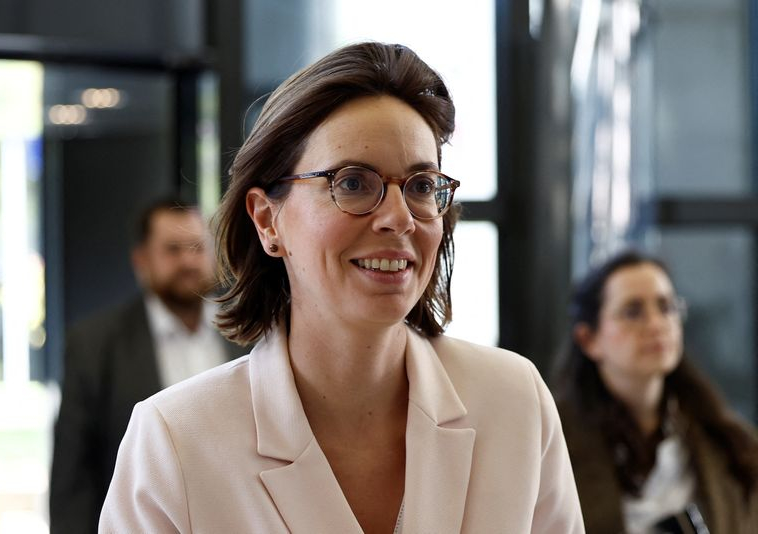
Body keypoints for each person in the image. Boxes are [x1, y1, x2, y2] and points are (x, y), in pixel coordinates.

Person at [99, 42, 583, 533]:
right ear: (267, 220)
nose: (398, 218)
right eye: (352, 183)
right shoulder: (176, 442)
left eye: (420, 186)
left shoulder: (515, 401)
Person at [50, 198, 241, 534]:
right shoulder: (94, 345)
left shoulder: (249, 332)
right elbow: (73, 478)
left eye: (197, 248)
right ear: (141, 260)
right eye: (172, 250)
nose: (188, 261)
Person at [553, 249, 758, 533]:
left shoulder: (728, 443)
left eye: (666, 307)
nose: (656, 324)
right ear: (588, 339)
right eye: (633, 312)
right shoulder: (555, 440)